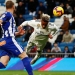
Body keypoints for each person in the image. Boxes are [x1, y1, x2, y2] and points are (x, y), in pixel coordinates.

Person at [0, 1, 33, 75]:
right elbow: (1, 20)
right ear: (13, 6)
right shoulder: (8, 14)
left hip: (3, 41)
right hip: (9, 41)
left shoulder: (9, 16)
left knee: (3, 63)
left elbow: (8, 32)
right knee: (24, 56)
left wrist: (18, 34)